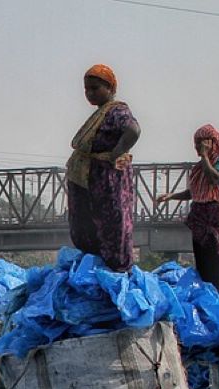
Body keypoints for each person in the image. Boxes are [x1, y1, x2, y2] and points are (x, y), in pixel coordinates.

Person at [66, 64, 141, 272]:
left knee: (109, 225)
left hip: (105, 182)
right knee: (86, 225)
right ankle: (93, 266)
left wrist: (116, 153)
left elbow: (133, 130)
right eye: (86, 89)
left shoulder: (117, 110)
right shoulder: (100, 113)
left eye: (95, 88)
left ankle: (113, 270)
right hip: (89, 179)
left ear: (110, 88)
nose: (89, 93)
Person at [155, 124, 219, 288]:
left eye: (201, 143)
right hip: (199, 217)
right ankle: (205, 291)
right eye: (196, 144)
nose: (198, 148)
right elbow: (194, 192)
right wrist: (171, 196)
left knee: (214, 258)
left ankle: (216, 292)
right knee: (202, 258)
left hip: (213, 217)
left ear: (212, 143)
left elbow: (214, 178)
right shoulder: (200, 167)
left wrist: (205, 156)